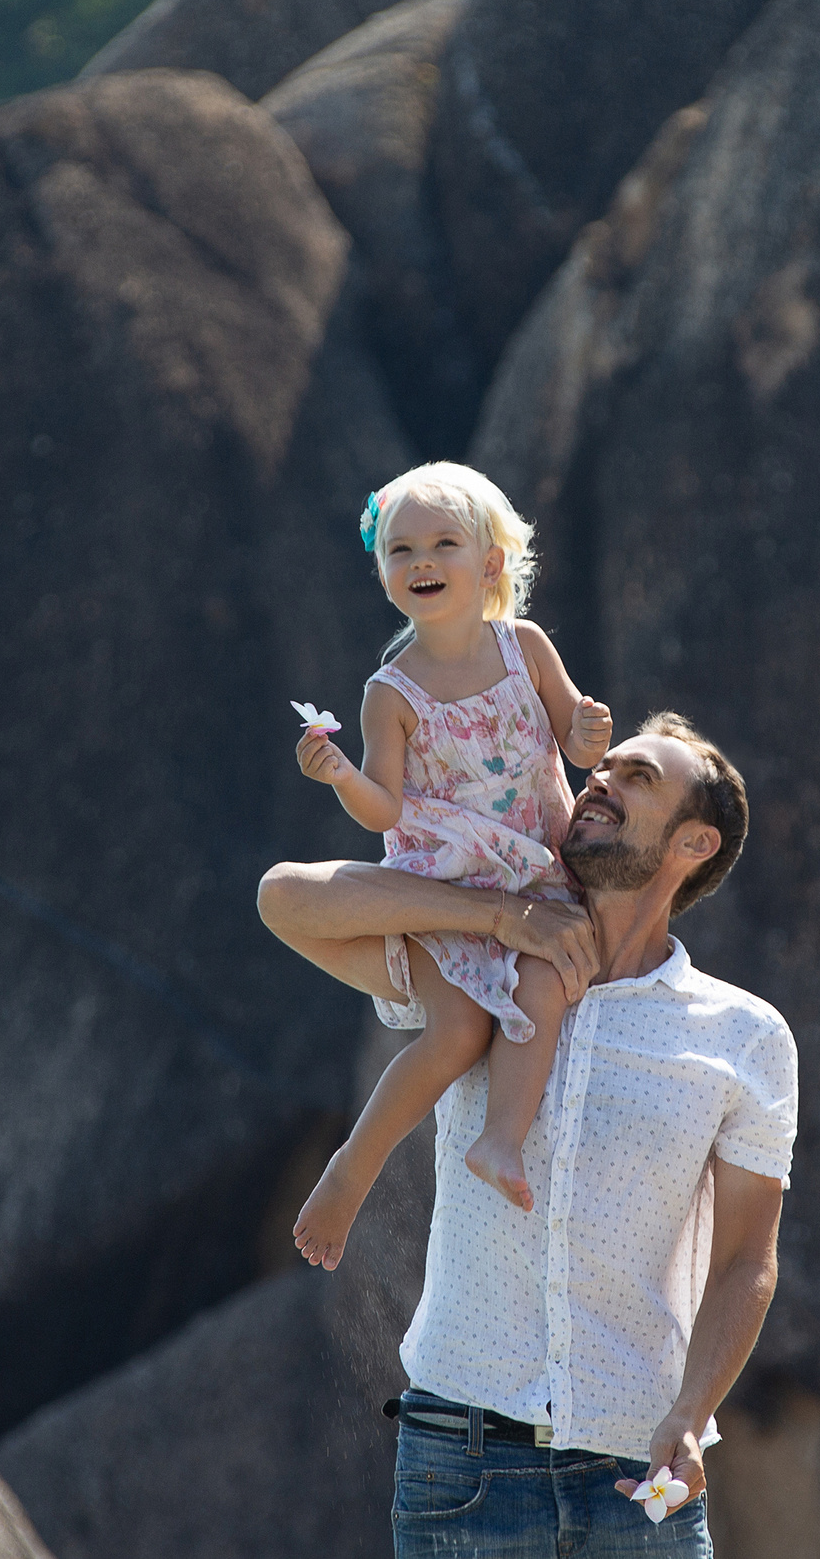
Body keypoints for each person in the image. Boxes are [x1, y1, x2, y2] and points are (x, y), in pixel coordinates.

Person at [258, 713, 794, 1558]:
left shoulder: (746, 1038)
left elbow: (745, 1263)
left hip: (637, 1475)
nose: (601, 780)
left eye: (638, 777)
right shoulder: (474, 971)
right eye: (602, 768)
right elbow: (287, 898)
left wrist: (692, 1415)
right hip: (460, 1460)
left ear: (695, 843)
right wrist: (499, 918)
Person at [288, 462, 613, 1267]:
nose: (421, 561)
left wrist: (588, 731)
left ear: (491, 564)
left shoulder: (525, 648)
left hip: (537, 870)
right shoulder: (389, 694)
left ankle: (500, 1140)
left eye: (443, 544)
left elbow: (573, 738)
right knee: (455, 1032)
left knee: (550, 980)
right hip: (445, 887)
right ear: (385, 575)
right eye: (401, 551)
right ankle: (349, 1171)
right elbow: (388, 811)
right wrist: (342, 781)